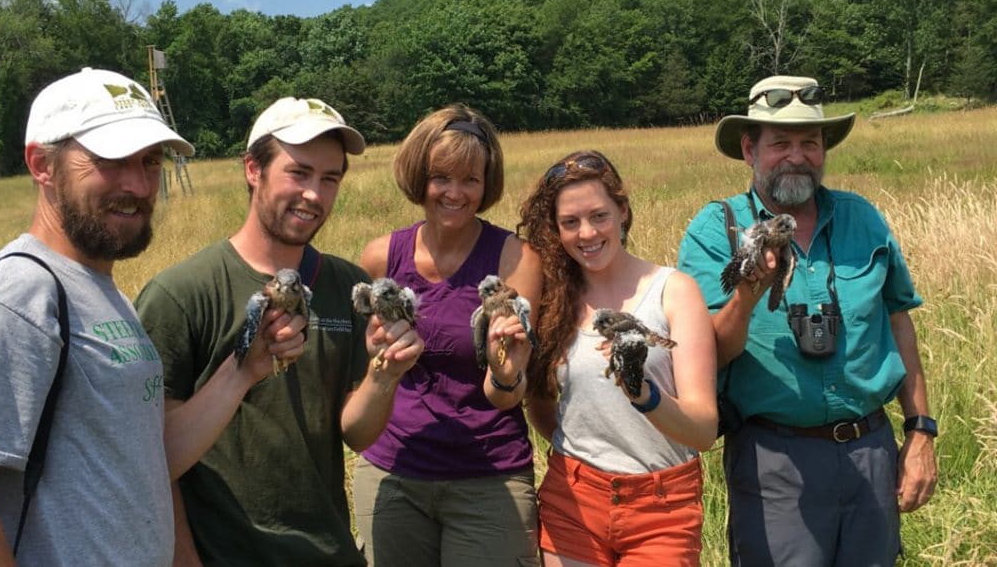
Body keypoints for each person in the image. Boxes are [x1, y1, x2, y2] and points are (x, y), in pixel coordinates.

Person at [134, 97, 424, 566]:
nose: (315, 194)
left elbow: (357, 434)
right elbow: (151, 460)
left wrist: (384, 375)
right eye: (299, 172)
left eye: (330, 179)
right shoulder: (181, 294)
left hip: (328, 551)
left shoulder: (347, 287)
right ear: (253, 169)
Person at [677, 75, 939, 566]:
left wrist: (920, 430)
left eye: (810, 142)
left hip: (871, 452)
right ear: (749, 149)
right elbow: (711, 350)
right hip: (774, 461)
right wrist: (750, 292)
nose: (797, 155)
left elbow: (898, 320)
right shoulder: (718, 230)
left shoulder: (864, 219)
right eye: (781, 143)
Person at [0, 68, 194, 564]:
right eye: (111, 160)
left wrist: (247, 367)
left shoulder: (95, 286)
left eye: (151, 161)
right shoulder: (18, 295)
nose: (138, 184)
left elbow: (140, 461)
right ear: (41, 164)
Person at [351, 104, 542, 567]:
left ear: (486, 184)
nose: (455, 193)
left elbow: (510, 392)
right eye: (441, 177)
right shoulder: (381, 258)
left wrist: (503, 374)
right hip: (392, 473)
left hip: (488, 477)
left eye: (470, 180)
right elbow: (361, 374)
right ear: (419, 176)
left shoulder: (515, 259)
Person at [514, 150, 717, 567]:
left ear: (622, 211)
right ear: (556, 229)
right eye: (570, 222)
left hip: (663, 506)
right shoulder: (554, 299)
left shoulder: (673, 291)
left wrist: (645, 395)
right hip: (573, 499)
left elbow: (703, 430)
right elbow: (539, 402)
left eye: (599, 216)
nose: (587, 233)